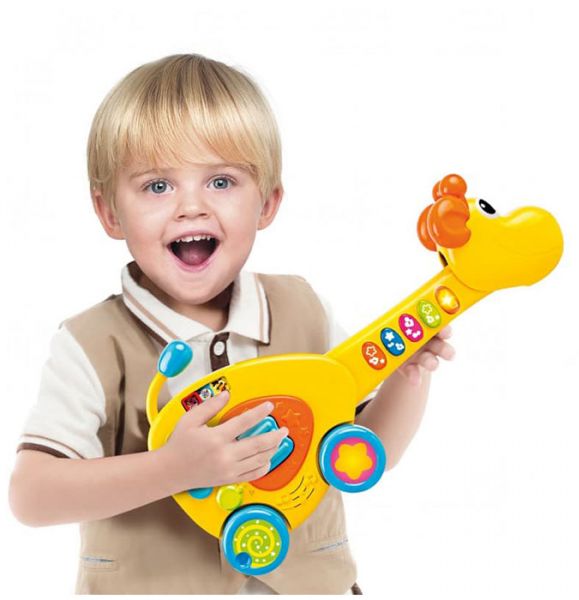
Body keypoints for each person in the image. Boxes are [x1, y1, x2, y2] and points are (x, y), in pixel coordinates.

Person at [8, 53, 455, 595]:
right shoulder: (92, 343)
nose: (191, 207)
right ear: (109, 213)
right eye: (157, 186)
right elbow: (32, 497)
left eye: (221, 181)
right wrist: (173, 468)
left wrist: (409, 375)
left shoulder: (303, 309)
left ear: (267, 203)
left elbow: (368, 451)